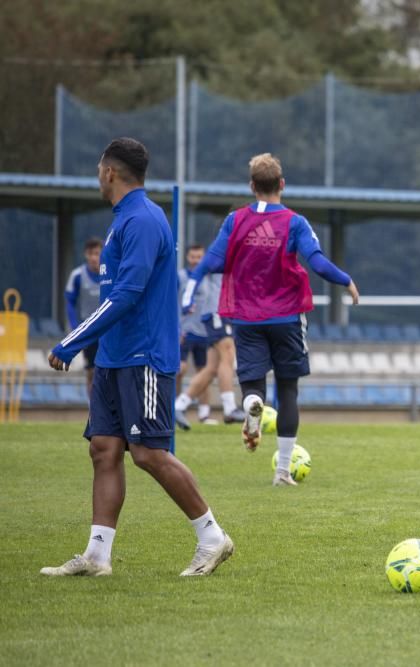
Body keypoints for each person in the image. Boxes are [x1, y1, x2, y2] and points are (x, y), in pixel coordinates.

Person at [43, 137, 234, 577]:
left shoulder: (145, 219)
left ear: (109, 172)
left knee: (148, 453)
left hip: (143, 357)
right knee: (104, 449)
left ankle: (212, 537)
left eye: (98, 167)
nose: (97, 174)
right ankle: (97, 556)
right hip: (113, 358)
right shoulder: (122, 220)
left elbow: (128, 293)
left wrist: (71, 342)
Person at [182, 152, 360, 486]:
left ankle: (251, 402)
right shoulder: (295, 222)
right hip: (287, 317)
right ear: (281, 184)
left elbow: (210, 262)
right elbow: (318, 263)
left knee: (253, 381)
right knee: (288, 388)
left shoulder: (234, 221)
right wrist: (345, 280)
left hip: (247, 317)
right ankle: (282, 473)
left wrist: (189, 291)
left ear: (252, 186)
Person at [175, 269, 245, 429]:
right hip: (219, 311)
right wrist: (187, 301)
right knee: (228, 354)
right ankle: (229, 408)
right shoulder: (225, 248)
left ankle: (179, 406)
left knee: (211, 368)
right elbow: (201, 270)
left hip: (225, 312)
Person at [64, 237, 103, 399]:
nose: (94, 257)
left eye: (97, 253)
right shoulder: (78, 275)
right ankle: (93, 410)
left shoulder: (111, 274)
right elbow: (69, 302)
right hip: (89, 330)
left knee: (109, 370)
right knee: (92, 371)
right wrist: (75, 327)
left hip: (108, 329)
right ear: (86, 255)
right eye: (91, 253)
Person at [177, 245, 212, 422]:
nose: (196, 260)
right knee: (179, 370)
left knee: (204, 372)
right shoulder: (180, 277)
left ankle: (204, 413)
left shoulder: (208, 277)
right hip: (184, 331)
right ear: (187, 257)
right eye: (193, 257)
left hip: (204, 332)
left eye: (199, 257)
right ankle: (174, 406)